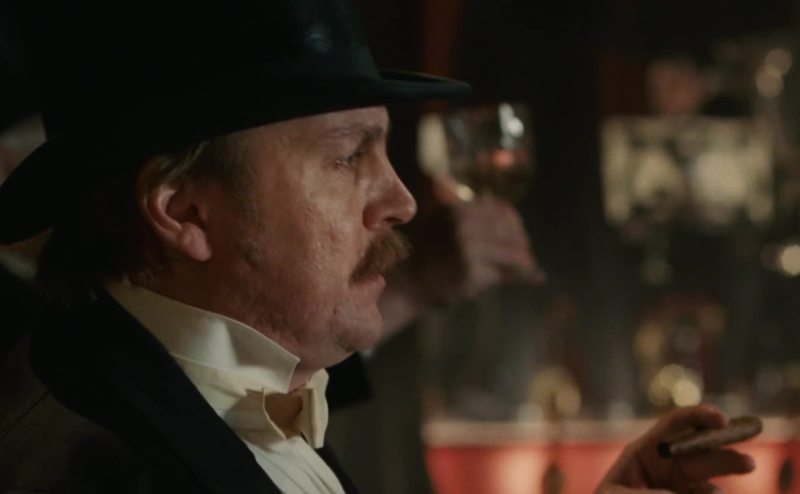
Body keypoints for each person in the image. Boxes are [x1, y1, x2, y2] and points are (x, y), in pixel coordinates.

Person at [0, 1, 755, 493]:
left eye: (385, 151)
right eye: (347, 156)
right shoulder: (93, 468)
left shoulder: (227, 395)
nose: (402, 201)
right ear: (183, 210)